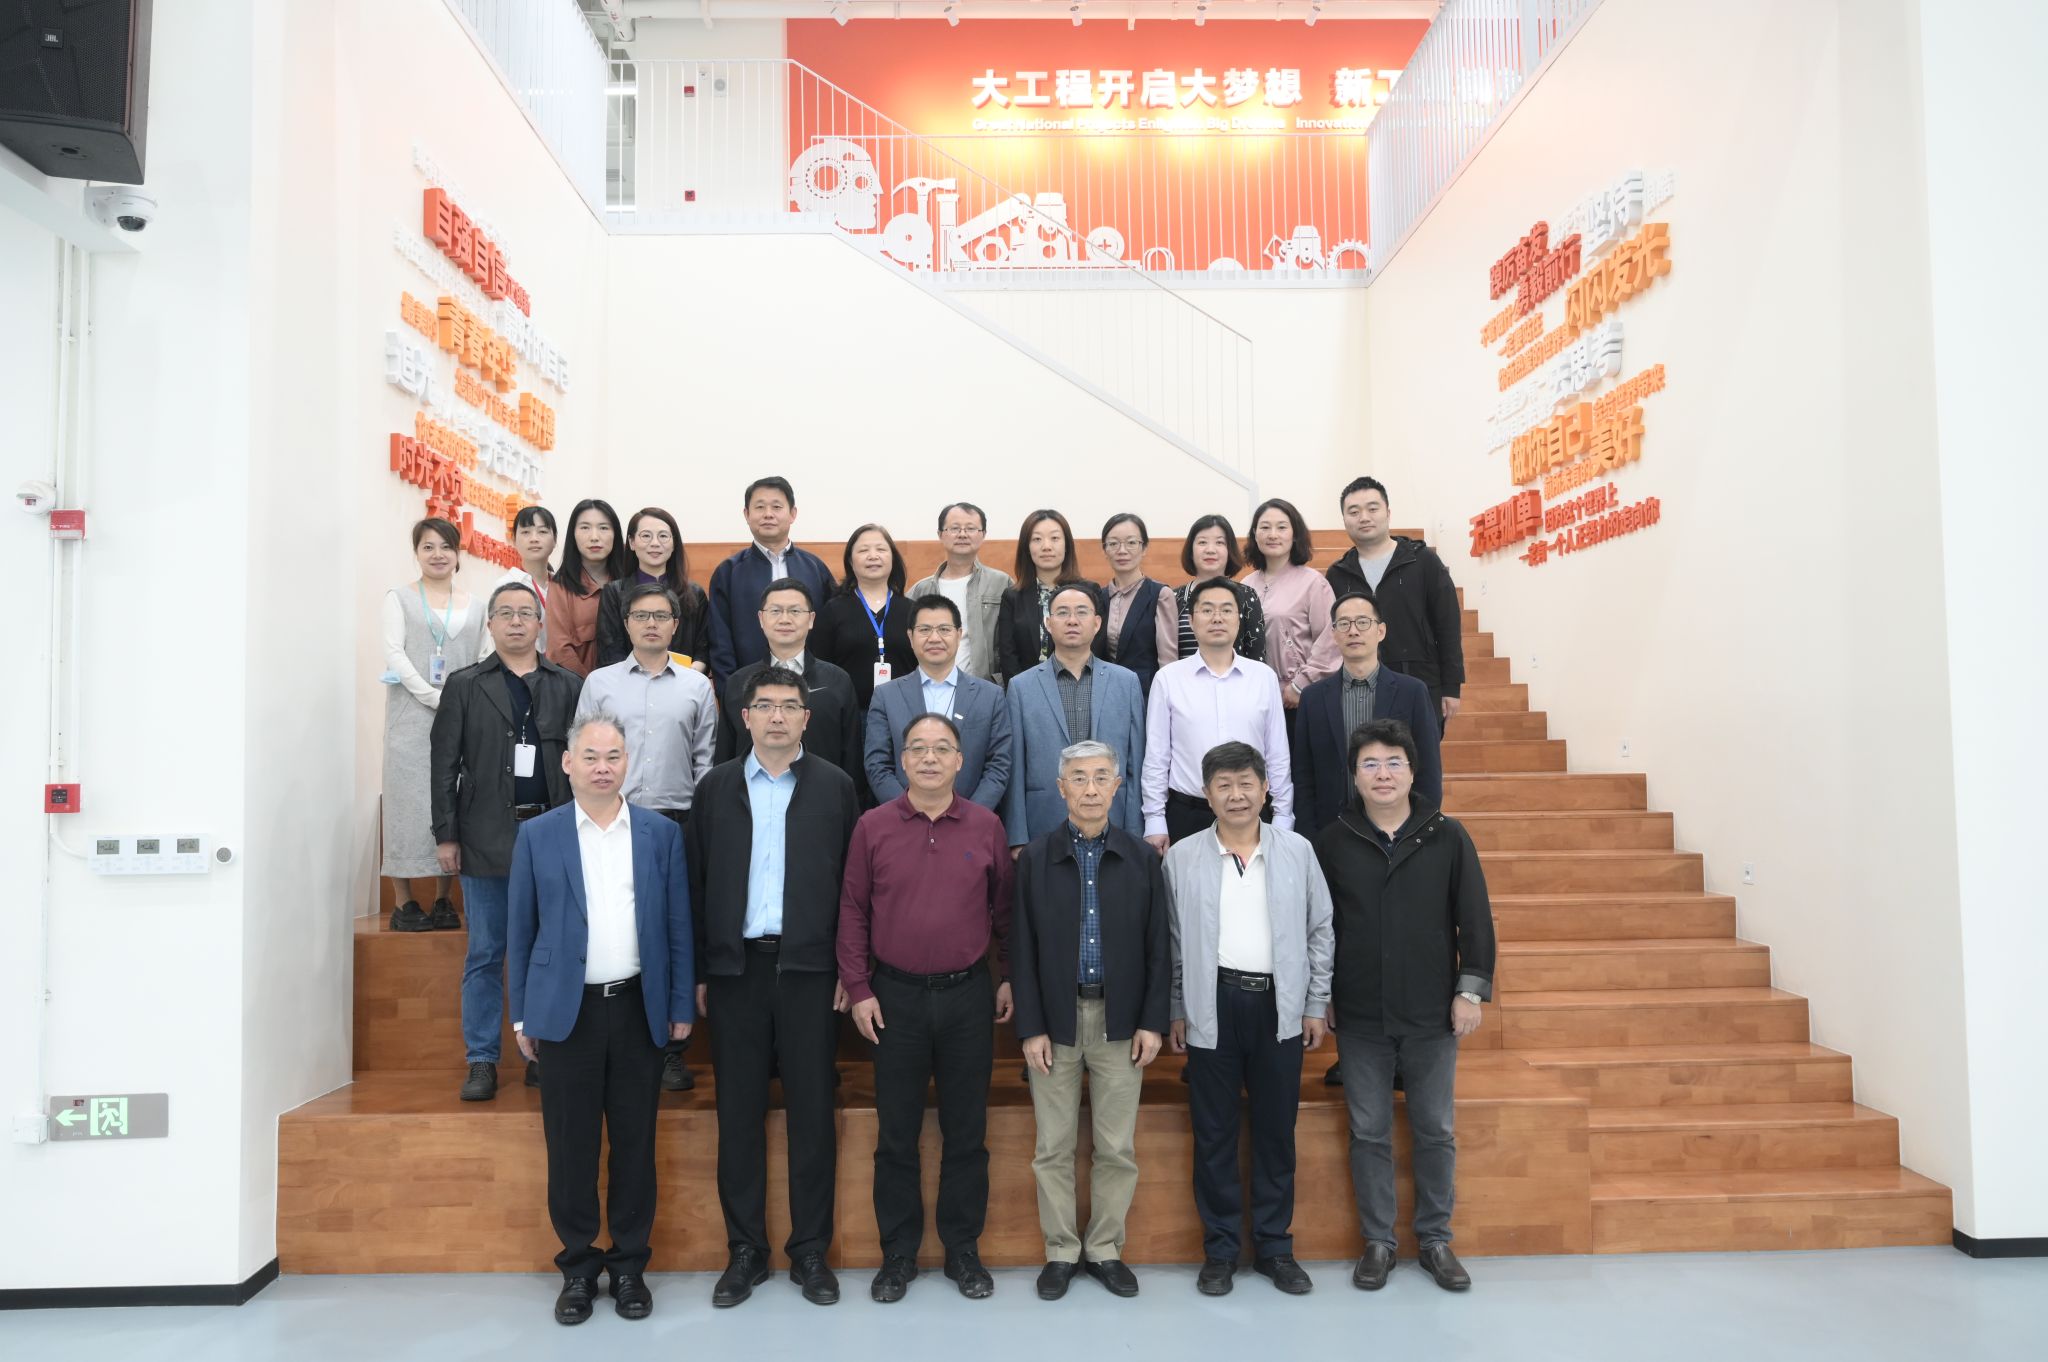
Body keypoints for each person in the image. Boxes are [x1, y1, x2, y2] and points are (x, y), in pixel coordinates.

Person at [505, 712, 694, 1325]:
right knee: (572, 1147)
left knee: (636, 1145)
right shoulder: (539, 835)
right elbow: (520, 931)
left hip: (639, 1010)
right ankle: (579, 1270)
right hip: (566, 1015)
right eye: (590, 757)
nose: (602, 767)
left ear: (627, 763)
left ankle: (631, 1267)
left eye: (613, 756)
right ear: (568, 763)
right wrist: (522, 1017)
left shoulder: (660, 834)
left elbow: (677, 925)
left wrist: (679, 1006)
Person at [687, 666, 861, 1310]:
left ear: (807, 718)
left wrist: (850, 970)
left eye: (790, 706)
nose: (778, 716)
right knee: (738, 1115)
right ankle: (745, 1251)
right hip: (736, 973)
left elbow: (854, 890)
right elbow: (696, 884)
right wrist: (701, 970)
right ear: (746, 716)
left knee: (812, 1114)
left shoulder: (836, 787)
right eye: (766, 706)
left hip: (812, 973)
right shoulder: (716, 788)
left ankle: (810, 1251)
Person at [837, 713, 1015, 1304]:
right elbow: (853, 910)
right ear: (902, 760)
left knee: (967, 1132)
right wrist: (858, 987)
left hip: (967, 997)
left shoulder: (986, 825)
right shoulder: (873, 826)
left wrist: (1009, 977)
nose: (931, 758)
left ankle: (963, 1250)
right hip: (895, 1000)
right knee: (896, 1134)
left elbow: (1006, 913)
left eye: (942, 749)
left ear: (961, 760)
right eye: (918, 748)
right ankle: (898, 1254)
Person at [1313, 718, 1495, 1294]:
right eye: (1370, 764)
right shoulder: (1333, 840)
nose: (1383, 774)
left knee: (1435, 1129)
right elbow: (1319, 927)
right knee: (1368, 1131)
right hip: (1360, 1013)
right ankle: (1379, 1242)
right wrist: (1323, 996)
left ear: (1413, 772)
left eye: (1394, 762)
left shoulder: (1447, 835)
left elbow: (1475, 919)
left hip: (1432, 1013)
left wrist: (1469, 991)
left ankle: (1436, 1239)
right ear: (1354, 776)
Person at [1164, 742, 1334, 1298]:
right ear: (1206, 793)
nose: (1236, 795)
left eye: (1246, 784)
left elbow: (1320, 930)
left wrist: (1314, 1003)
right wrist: (1177, 1009)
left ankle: (1274, 1247)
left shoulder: (1297, 851)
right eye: (1224, 785)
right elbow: (1171, 943)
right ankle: (1220, 1251)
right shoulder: (1181, 857)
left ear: (1265, 790)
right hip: (1210, 1005)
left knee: (1275, 1132)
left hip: (1278, 1008)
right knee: (1213, 1134)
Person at [1012, 740, 1169, 1301]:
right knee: (1052, 1146)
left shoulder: (1142, 858)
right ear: (1061, 789)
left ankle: (1104, 1249)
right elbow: (1021, 949)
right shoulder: (1035, 859)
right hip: (1055, 1021)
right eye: (1078, 778)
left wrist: (1152, 1021)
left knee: (1116, 1147)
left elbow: (1158, 947)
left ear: (1118, 786)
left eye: (1102, 777)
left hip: (1120, 1021)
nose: (1091, 789)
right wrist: (1031, 1026)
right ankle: (1060, 1251)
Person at [431, 582, 583, 1101]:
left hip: (552, 833)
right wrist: (446, 836)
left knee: (547, 949)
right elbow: (443, 765)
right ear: (490, 624)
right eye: (505, 614)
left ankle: (542, 1053)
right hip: (485, 836)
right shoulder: (465, 685)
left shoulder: (568, 684)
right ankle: (481, 1059)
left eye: (525, 613)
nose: (516, 622)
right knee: (485, 952)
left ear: (540, 624)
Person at [577, 581, 719, 1093]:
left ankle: (671, 1050)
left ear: (676, 626)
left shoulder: (696, 687)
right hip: (612, 822)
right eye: (641, 616)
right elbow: (582, 753)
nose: (651, 624)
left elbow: (706, 759)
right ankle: (618, 1044)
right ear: (627, 624)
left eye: (661, 616)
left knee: (672, 932)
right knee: (618, 928)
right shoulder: (600, 683)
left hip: (676, 824)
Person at [381, 518, 484, 932]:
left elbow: (483, 656)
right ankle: (403, 902)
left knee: (452, 801)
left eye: (445, 546)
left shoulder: (476, 605)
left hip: (461, 717)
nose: (437, 554)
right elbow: (394, 653)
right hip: (411, 718)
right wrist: (433, 696)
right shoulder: (399, 598)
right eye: (428, 547)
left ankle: (444, 898)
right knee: (407, 804)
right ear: (417, 553)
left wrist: (459, 701)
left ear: (458, 553)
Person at [1143, 579, 1294, 850]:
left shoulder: (1263, 677)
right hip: (1188, 813)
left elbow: (1277, 753)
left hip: (1252, 813)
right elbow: (1157, 755)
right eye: (1207, 610)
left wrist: (1283, 816)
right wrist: (1155, 819)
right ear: (1191, 621)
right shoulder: (1168, 679)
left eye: (1226, 610)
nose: (1217, 618)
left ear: (1238, 619)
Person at [1003, 583, 1145, 850]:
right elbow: (1016, 768)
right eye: (1062, 613)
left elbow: (1136, 763)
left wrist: (1136, 831)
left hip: (1114, 821)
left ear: (1097, 623)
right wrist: (1017, 837)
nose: (1072, 620)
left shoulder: (1126, 682)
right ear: (1048, 623)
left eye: (1081, 612)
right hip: (1043, 822)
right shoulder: (1021, 687)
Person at [1294, 592, 1443, 833]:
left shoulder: (1413, 692)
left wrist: (1418, 832)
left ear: (1381, 631)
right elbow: (1303, 777)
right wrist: (1310, 838)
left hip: (1397, 832)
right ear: (1334, 634)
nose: (1353, 631)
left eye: (1363, 622)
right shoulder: (1313, 698)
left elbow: (1428, 771)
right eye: (1344, 624)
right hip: (1332, 832)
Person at [1325, 477, 1465, 731]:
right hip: (1359, 686)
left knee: (1419, 753)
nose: (1364, 517)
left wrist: (1451, 686)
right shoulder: (1338, 573)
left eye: (1372, 508)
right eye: (1354, 512)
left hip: (1420, 682)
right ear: (1344, 519)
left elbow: (1448, 623)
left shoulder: (1422, 561)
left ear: (1388, 513)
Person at [864, 595, 1011, 811]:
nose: (934, 638)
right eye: (924, 630)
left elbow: (998, 766)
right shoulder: (886, 696)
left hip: (970, 821)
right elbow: (877, 765)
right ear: (910, 636)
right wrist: (910, 812)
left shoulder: (991, 695)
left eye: (944, 629)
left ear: (959, 635)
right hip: (904, 820)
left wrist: (968, 816)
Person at [715, 578, 863, 782]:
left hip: (822, 795)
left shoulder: (837, 681)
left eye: (795, 611)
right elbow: (724, 759)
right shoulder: (738, 683)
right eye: (775, 611)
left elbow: (852, 759)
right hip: (751, 796)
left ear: (811, 619)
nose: (785, 619)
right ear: (761, 619)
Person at [707, 477, 836, 691]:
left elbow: (831, 632)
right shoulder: (728, 572)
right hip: (750, 691)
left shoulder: (815, 568)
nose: (768, 514)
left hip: (813, 688)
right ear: (746, 514)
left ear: (792, 514)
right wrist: (731, 692)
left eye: (776, 507)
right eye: (760, 507)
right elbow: (720, 642)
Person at [1242, 497, 1341, 730]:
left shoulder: (1313, 583)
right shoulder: (1246, 585)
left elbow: (1330, 640)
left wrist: (1300, 684)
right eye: (1265, 527)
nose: (1272, 534)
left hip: (1299, 698)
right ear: (1255, 534)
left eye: (1281, 527)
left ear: (1295, 534)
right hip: (1255, 697)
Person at [813, 524, 917, 713]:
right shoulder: (832, 610)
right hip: (848, 714)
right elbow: (819, 669)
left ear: (893, 558)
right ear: (850, 561)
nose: (873, 556)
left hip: (904, 713)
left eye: (881, 549)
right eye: (863, 550)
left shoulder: (912, 610)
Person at [907, 501, 1012, 682]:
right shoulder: (920, 590)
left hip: (985, 686)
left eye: (971, 528)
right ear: (940, 534)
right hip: (930, 687)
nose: (962, 534)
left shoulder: (1002, 583)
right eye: (954, 528)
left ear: (983, 534)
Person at [595, 507, 709, 672]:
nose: (655, 543)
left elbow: (703, 649)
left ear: (674, 543)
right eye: (646, 536)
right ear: (632, 542)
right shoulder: (613, 592)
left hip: (684, 680)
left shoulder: (695, 593)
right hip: (628, 681)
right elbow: (609, 650)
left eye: (663, 536)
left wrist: (688, 675)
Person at [1158, 514, 1266, 664]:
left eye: (1219, 542)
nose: (1210, 550)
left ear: (1229, 550)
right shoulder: (1173, 597)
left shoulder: (1247, 595)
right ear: (1191, 551)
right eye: (1202, 542)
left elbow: (1257, 659)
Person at [546, 498, 632, 677]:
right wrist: (590, 686)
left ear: (615, 535)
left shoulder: (631, 582)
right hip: (578, 687)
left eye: (603, 528)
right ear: (573, 535)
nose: (594, 537)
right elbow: (559, 650)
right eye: (585, 527)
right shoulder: (560, 587)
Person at [996, 509, 1083, 682]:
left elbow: (1095, 648)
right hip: (1027, 690)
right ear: (1027, 548)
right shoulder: (1012, 597)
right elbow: (1008, 655)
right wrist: (1022, 692)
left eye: (1055, 538)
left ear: (1067, 545)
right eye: (1037, 539)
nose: (1046, 546)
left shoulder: (1087, 592)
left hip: (1080, 686)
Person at [1097, 513, 1168, 697]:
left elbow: (1167, 661)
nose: (1122, 550)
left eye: (1131, 542)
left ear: (1144, 548)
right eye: (1113, 543)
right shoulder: (1097, 597)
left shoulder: (1160, 595)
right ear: (1104, 550)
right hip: (1104, 695)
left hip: (1145, 696)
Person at [481, 505, 557, 660]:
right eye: (526, 532)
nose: (534, 538)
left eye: (542, 532)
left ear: (554, 540)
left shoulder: (564, 585)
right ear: (514, 540)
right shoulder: (505, 586)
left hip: (562, 669)